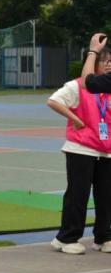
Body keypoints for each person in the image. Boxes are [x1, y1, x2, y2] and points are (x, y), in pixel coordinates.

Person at [47, 46, 111, 254]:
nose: (109, 64)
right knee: (78, 194)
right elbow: (53, 100)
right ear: (91, 63)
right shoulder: (77, 85)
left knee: (106, 195)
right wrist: (74, 118)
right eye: (104, 60)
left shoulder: (108, 87)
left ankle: (103, 237)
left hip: (106, 149)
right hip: (81, 148)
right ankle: (66, 238)